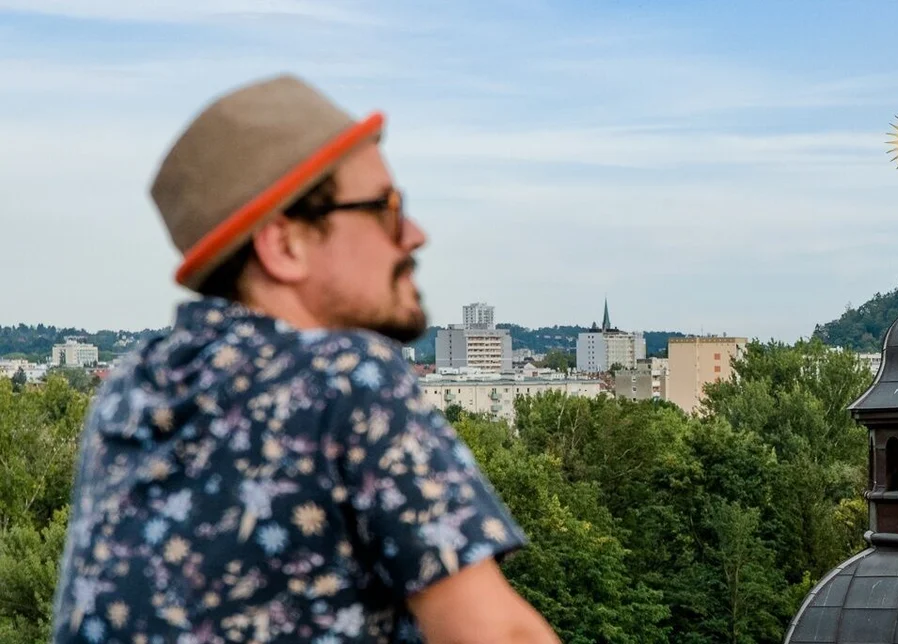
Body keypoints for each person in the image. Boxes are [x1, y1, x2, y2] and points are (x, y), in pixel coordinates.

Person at [50, 74, 560, 643]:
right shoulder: (346, 376)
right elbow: (498, 635)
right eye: (387, 207)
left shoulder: (130, 388)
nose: (414, 235)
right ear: (285, 245)